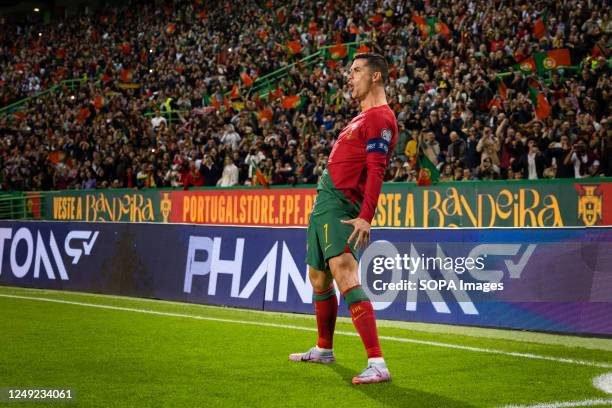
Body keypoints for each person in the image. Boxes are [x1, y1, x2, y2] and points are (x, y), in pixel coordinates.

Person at [289, 53, 397, 385]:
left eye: (356, 71)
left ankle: (377, 362)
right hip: (324, 205)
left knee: (344, 272)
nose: (350, 77)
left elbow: (377, 169)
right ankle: (324, 348)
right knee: (318, 278)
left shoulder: (380, 118)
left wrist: (366, 216)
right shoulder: (361, 117)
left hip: (340, 205)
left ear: (375, 76)